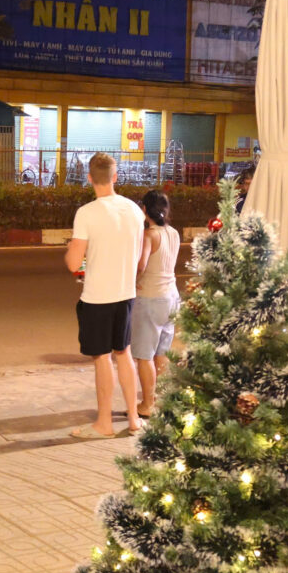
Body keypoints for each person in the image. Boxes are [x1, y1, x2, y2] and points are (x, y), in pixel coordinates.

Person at [65, 152, 144, 439]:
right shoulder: (134, 210)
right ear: (115, 176)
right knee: (124, 353)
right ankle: (134, 418)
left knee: (102, 358)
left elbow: (74, 263)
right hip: (126, 293)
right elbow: (139, 257)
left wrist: (72, 253)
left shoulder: (87, 213)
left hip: (97, 297)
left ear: (89, 178)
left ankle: (104, 423)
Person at [131, 190, 181, 421]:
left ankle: (147, 404)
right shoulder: (174, 233)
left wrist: (134, 281)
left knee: (144, 355)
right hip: (172, 296)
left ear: (145, 209)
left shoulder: (150, 235)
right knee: (162, 352)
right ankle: (160, 399)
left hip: (151, 297)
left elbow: (141, 265)